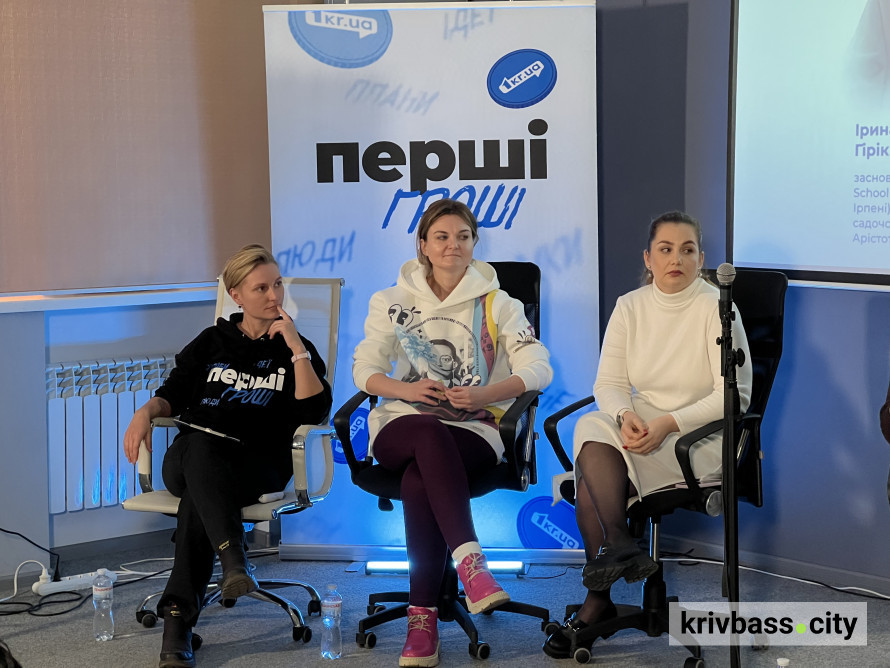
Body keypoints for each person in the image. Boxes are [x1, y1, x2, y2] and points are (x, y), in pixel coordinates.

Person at [352, 198, 553, 667]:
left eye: (463, 236)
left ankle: (421, 620)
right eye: (441, 237)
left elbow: (539, 368)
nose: (452, 245)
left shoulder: (499, 303)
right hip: (402, 424)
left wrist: (486, 394)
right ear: (422, 244)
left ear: (474, 242)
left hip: (474, 429)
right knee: (426, 431)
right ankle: (472, 565)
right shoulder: (391, 301)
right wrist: (407, 389)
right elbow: (365, 370)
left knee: (419, 478)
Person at [543, 211, 752, 658]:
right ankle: (620, 545)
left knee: (589, 477)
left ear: (701, 259)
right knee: (592, 424)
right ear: (648, 258)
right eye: (666, 249)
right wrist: (624, 415)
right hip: (640, 425)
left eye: (687, 250)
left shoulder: (717, 308)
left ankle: (599, 595)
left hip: (694, 436)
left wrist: (666, 424)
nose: (676, 259)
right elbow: (608, 384)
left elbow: (734, 397)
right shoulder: (630, 306)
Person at [123, 244, 332, 668]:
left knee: (198, 501)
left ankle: (178, 621)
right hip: (191, 455)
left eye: (278, 285)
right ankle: (233, 557)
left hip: (256, 465)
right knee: (201, 449)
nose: (274, 295)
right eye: (261, 288)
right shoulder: (211, 342)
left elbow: (314, 411)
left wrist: (296, 346)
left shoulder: (295, 347)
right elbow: (172, 393)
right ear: (236, 294)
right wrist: (145, 411)